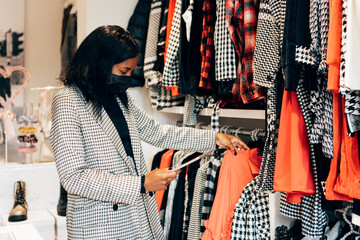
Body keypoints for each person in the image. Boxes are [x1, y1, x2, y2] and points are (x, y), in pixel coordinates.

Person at [50, 25, 249, 240]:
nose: (128, 78)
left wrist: (214, 138)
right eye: (123, 72)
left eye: (131, 71)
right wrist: (141, 183)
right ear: (101, 63)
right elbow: (74, 177)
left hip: (135, 217)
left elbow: (157, 132)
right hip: (98, 226)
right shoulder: (68, 101)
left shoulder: (119, 98)